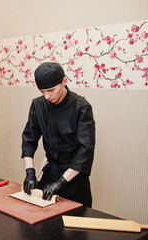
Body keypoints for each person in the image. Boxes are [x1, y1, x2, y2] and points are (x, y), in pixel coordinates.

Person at [21, 62, 95, 207]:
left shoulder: (81, 107)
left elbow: (85, 151)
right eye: (42, 92)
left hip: (74, 178)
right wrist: (30, 171)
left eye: (51, 90)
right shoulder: (38, 105)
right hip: (49, 173)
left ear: (64, 81)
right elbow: (29, 139)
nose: (47, 96)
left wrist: (61, 182)